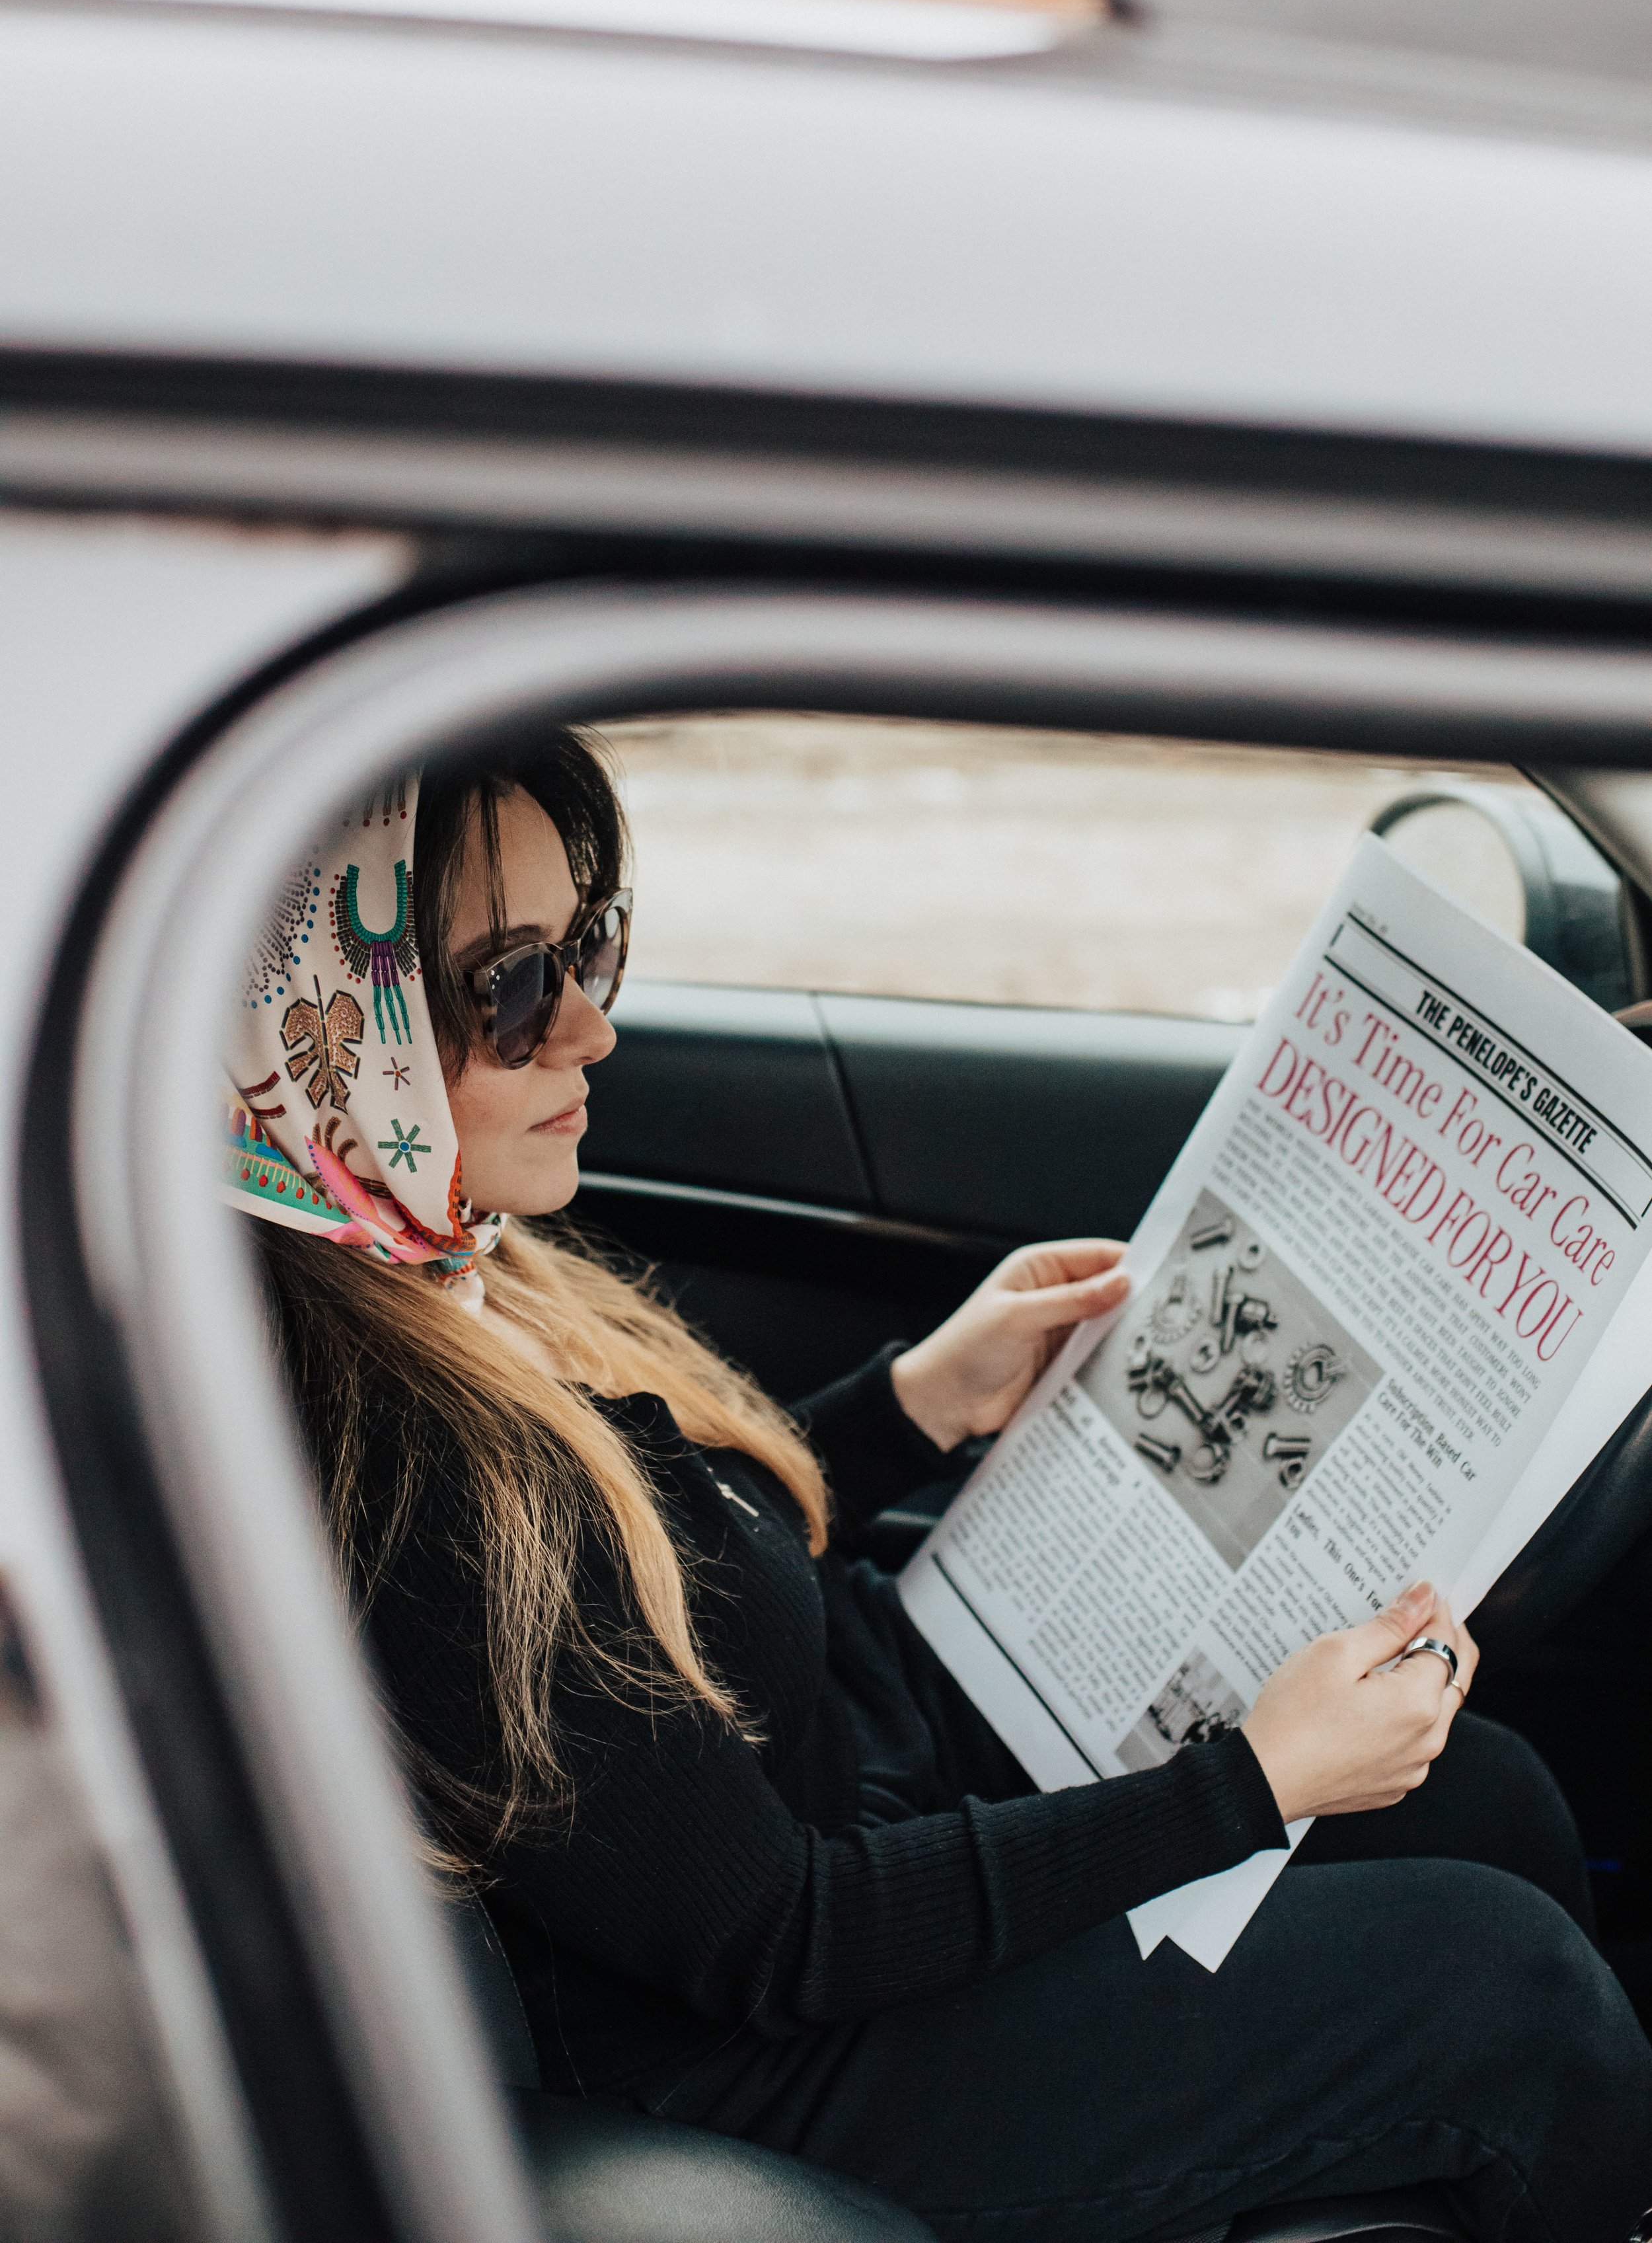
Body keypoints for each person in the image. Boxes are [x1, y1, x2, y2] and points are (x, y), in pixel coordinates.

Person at [227, 738, 1652, 2243]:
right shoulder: (390, 1455)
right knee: (1507, 1986)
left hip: (859, 1776)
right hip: (778, 2054)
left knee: (1484, 1791)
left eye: (591, 946)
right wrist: (1249, 1785)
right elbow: (780, 1932)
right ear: (336, 1022)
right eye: (509, 986)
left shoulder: (426, 1251)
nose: (587, 1029)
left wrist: (913, 1406)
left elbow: (642, 1566)